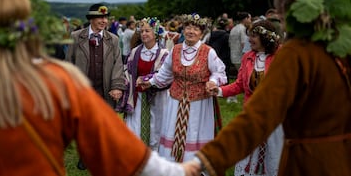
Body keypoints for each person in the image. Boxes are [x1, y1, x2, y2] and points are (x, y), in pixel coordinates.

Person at [0, 0, 202, 176]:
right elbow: (113, 144)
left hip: (102, 87)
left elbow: (116, 65)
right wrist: (176, 170)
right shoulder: (55, 81)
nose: (103, 20)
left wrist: (116, 86)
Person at [194, 0, 351, 176]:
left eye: (284, 14)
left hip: (310, 163)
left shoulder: (295, 54)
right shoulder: (342, 50)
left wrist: (205, 161)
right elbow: (241, 85)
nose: (282, 21)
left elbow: (258, 117)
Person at [138, 13, 227, 163]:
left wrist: (212, 82)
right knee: (173, 132)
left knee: (194, 133)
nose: (191, 31)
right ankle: (174, 164)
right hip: (176, 101)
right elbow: (165, 73)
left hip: (199, 104)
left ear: (202, 33)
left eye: (196, 29)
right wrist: (151, 82)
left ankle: (195, 165)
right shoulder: (176, 49)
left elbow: (220, 72)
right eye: (188, 28)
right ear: (183, 30)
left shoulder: (208, 52)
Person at [216, 19, 283, 176]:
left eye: (253, 36)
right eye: (249, 35)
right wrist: (219, 91)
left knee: (273, 157)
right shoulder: (247, 57)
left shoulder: (281, 56)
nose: (249, 40)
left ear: (265, 38)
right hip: (251, 116)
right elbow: (239, 85)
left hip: (274, 118)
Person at [116, 17, 169, 151]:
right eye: (142, 31)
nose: (144, 34)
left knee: (156, 129)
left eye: (148, 31)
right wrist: (128, 82)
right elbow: (127, 71)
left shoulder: (164, 53)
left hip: (158, 99)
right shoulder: (135, 52)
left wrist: (148, 79)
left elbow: (165, 74)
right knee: (135, 128)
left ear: (156, 34)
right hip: (138, 98)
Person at [66, 3, 126, 109]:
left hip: (105, 93)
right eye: (100, 17)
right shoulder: (76, 37)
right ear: (91, 19)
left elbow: (118, 64)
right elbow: (68, 63)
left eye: (106, 18)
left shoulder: (113, 39)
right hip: (81, 91)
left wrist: (116, 87)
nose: (105, 21)